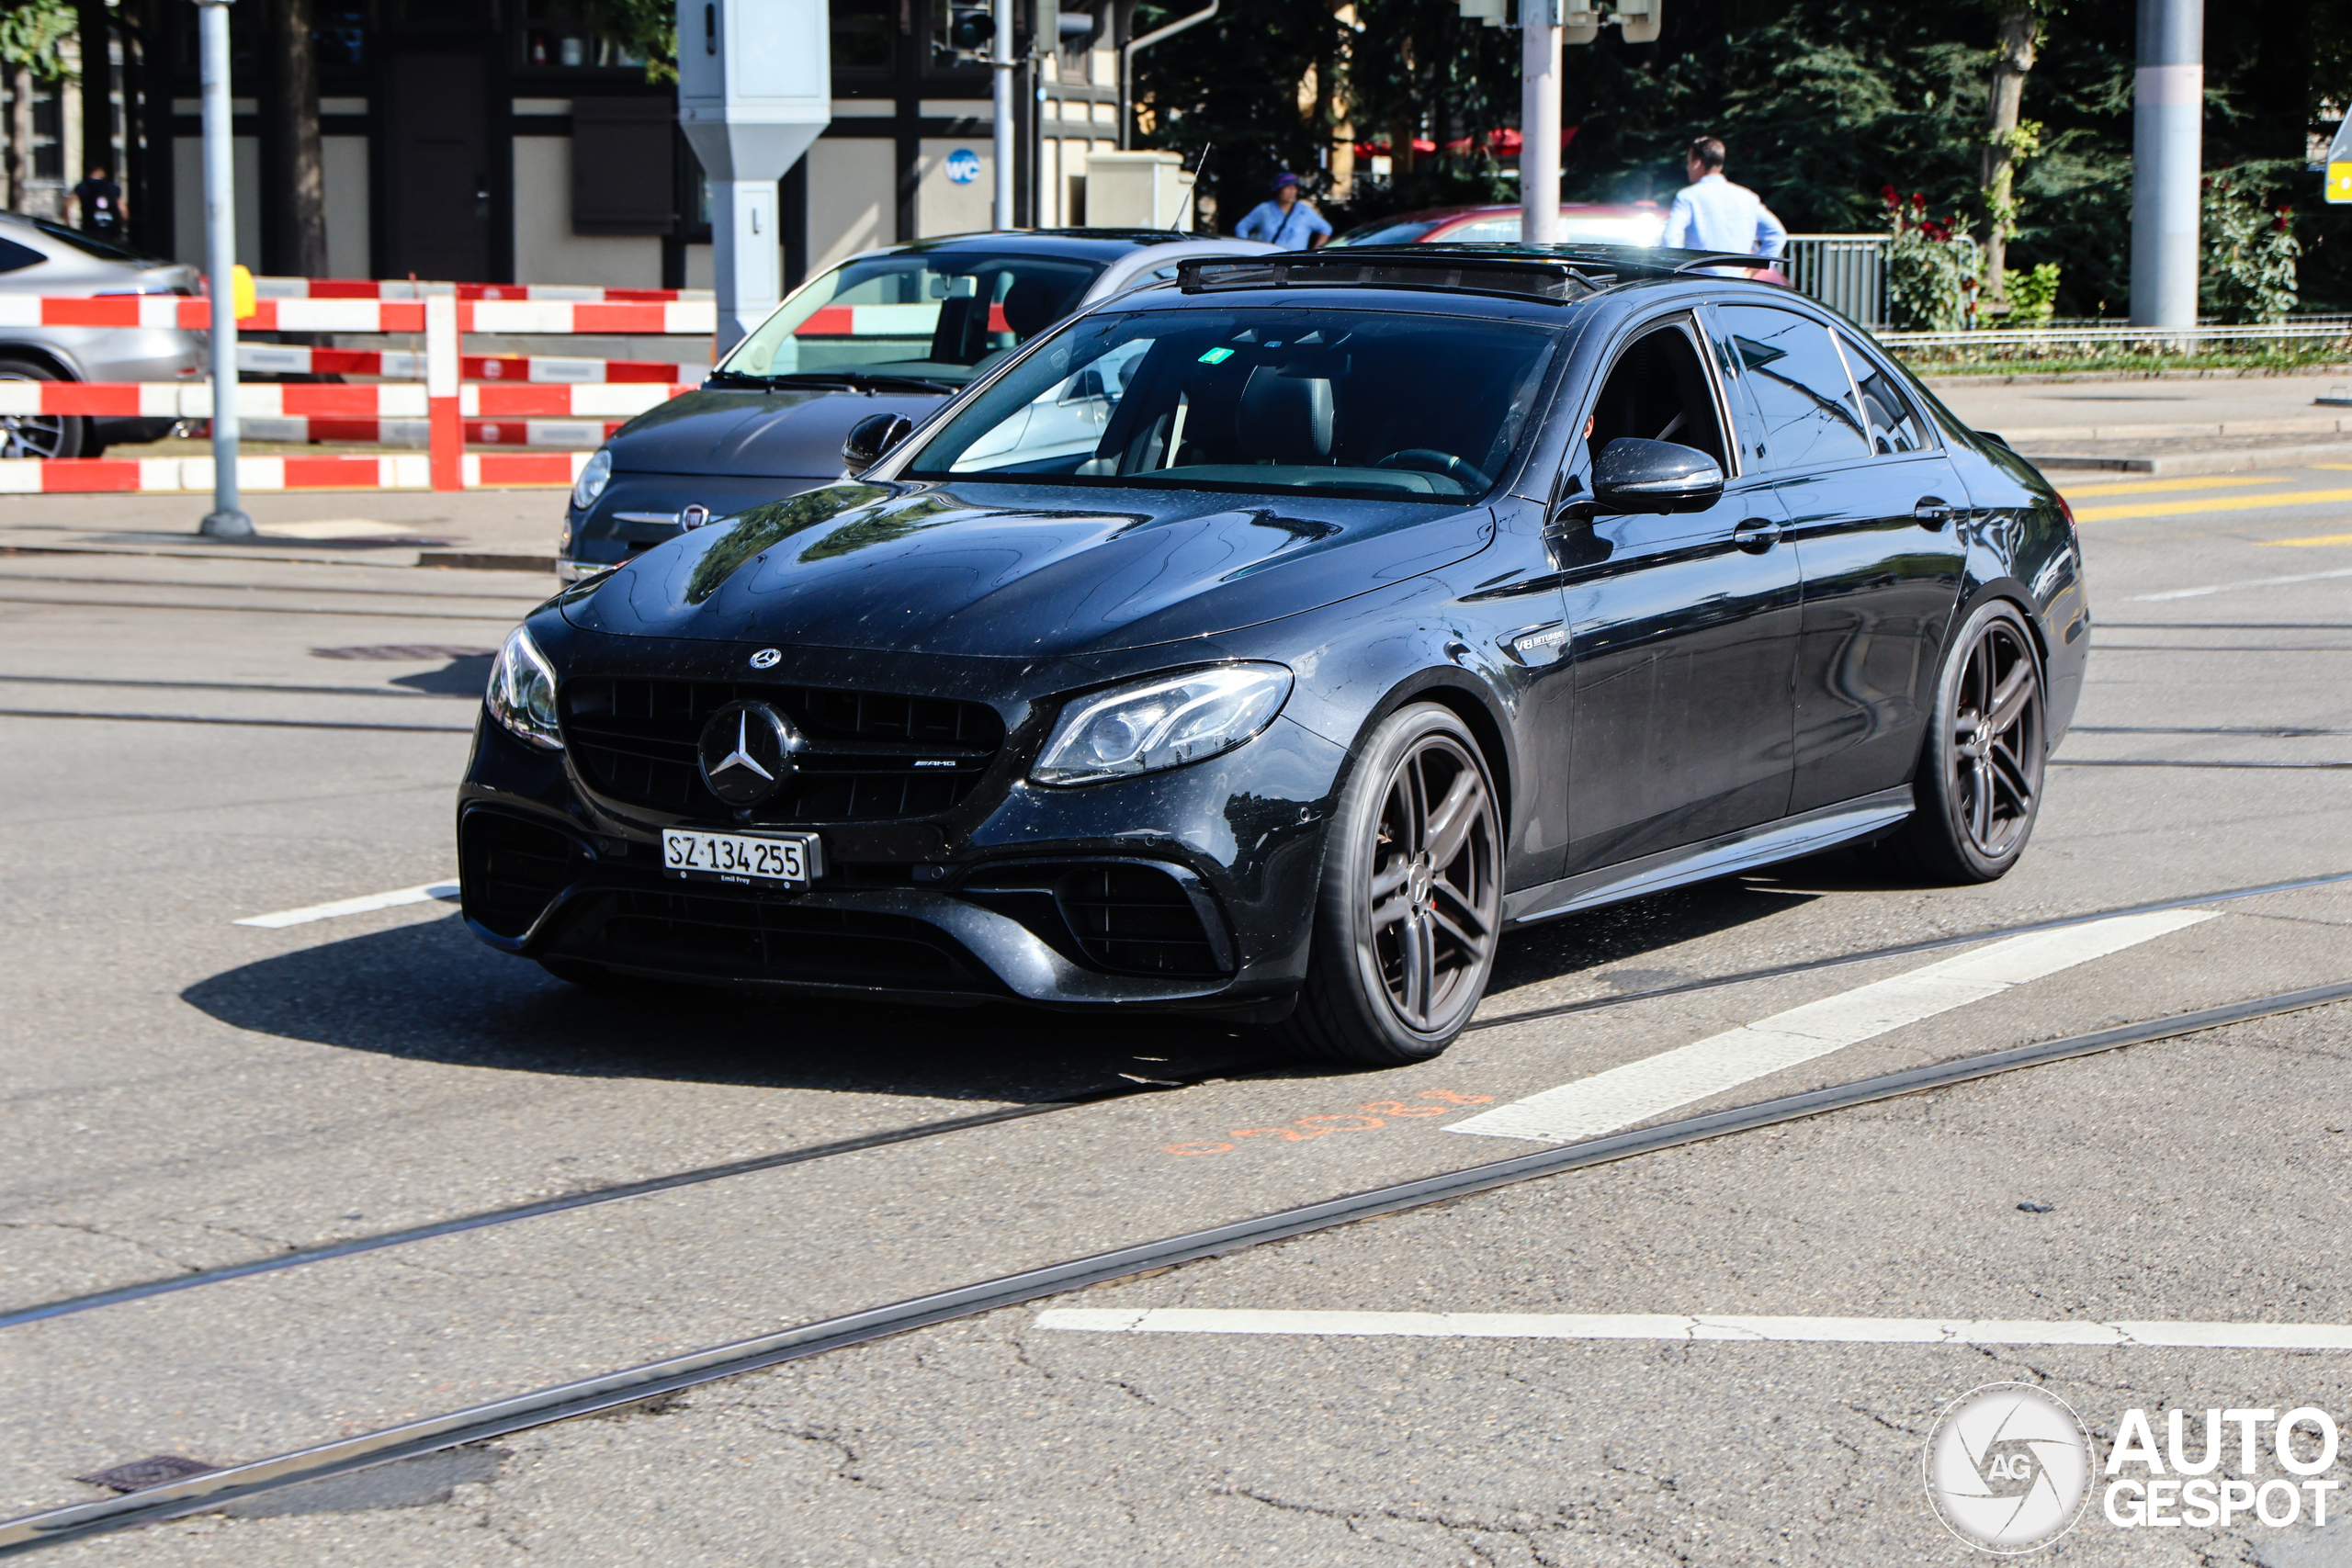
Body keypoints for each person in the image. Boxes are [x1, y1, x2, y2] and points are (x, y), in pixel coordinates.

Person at [1662, 138, 1784, 262]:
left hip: (1698, 278)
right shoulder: (1748, 197)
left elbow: (1671, 236)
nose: (1687, 167)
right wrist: (1754, 269)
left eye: (1689, 162)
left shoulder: (1688, 196)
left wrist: (1678, 269)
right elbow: (1777, 235)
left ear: (1697, 164)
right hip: (1735, 280)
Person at [1234, 172, 1331, 250]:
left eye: (1294, 188)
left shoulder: (1304, 211)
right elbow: (1241, 227)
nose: (1292, 192)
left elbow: (1326, 229)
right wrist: (1248, 249)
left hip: (1297, 265)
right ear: (1278, 190)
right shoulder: (1265, 209)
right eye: (1288, 188)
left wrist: (1315, 252)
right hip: (1269, 264)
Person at [70, 166, 126, 240]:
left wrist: (69, 227)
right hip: (111, 232)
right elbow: (123, 210)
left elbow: (67, 205)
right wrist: (121, 224)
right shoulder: (113, 187)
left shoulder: (82, 187)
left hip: (90, 230)